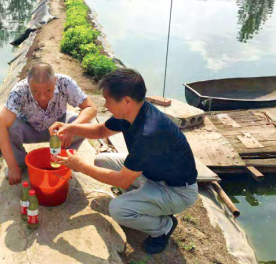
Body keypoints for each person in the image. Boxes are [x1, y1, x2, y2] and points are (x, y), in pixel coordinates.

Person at [52, 68, 198, 254]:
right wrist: (70, 128)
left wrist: (80, 166)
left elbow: (122, 180)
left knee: (118, 209)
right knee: (101, 160)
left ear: (127, 100)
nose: (105, 105)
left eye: (108, 100)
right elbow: (100, 132)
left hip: (176, 190)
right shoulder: (132, 113)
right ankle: (144, 204)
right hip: (152, 173)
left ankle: (164, 225)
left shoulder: (150, 133)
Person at [0, 62, 97, 185]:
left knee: (85, 124)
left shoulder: (65, 83)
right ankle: (19, 163)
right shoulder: (19, 91)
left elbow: (91, 108)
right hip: (29, 129)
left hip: (58, 131)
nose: (42, 97)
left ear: (55, 80)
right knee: (9, 125)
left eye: (48, 90)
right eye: (36, 92)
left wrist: (71, 128)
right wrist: (12, 166)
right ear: (28, 83)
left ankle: (67, 158)